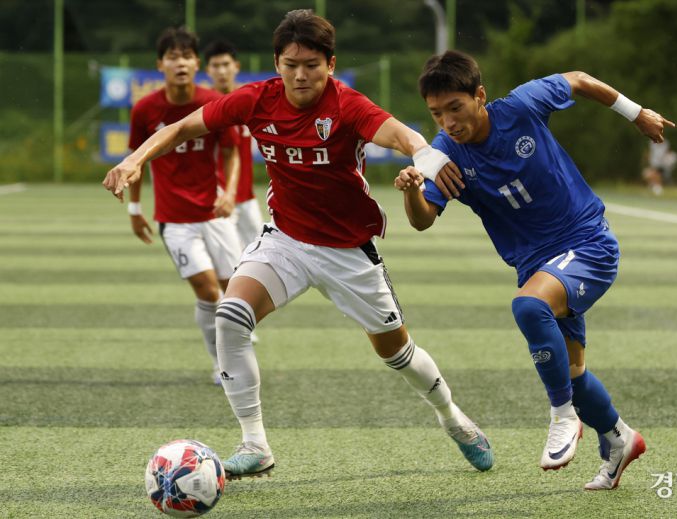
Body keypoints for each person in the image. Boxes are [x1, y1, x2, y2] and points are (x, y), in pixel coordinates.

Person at [103, 10, 492, 479]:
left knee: (397, 354)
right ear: (276, 63)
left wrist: (425, 153)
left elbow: (399, 134)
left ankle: (453, 418)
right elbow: (182, 128)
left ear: (330, 64)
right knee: (230, 315)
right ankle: (255, 444)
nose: (300, 74)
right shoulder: (256, 99)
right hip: (285, 240)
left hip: (348, 251)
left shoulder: (347, 105)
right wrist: (135, 159)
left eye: (311, 64)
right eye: (290, 64)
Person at [395, 50, 674, 490]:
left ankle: (562, 417)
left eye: (456, 107)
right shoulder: (443, 154)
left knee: (527, 307)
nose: (448, 122)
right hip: (536, 264)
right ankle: (620, 439)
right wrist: (412, 190)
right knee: (573, 374)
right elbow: (422, 218)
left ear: (480, 96)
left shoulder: (523, 105)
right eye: (436, 114)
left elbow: (579, 79)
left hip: (586, 243)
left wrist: (635, 113)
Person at [125, 27, 242, 386]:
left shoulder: (212, 102)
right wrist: (135, 209)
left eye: (187, 56)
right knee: (209, 292)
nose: (181, 63)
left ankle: (235, 356)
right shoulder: (145, 109)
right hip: (175, 220)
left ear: (196, 63)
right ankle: (222, 364)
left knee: (235, 294)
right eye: (173, 56)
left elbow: (233, 149)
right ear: (160, 64)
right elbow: (136, 159)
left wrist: (231, 192)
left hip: (214, 213)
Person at [203, 39, 265, 247]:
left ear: (236, 66)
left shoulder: (250, 102)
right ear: (207, 70)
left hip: (247, 198)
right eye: (215, 66)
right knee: (228, 266)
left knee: (264, 257)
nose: (221, 71)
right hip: (216, 198)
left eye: (226, 64)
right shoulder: (204, 107)